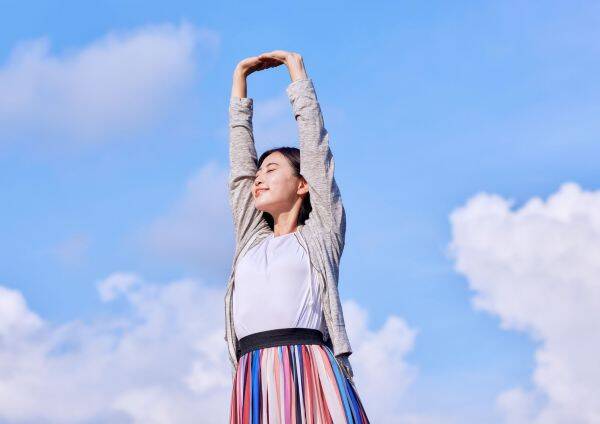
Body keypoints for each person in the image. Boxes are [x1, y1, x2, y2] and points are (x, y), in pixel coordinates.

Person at [225, 50, 370, 423]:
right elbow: (240, 169)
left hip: (309, 366)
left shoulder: (321, 235)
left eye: (271, 169)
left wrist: (296, 72)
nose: (259, 177)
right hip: (254, 373)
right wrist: (239, 81)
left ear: (303, 184)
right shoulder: (251, 240)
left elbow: (317, 152)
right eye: (259, 172)